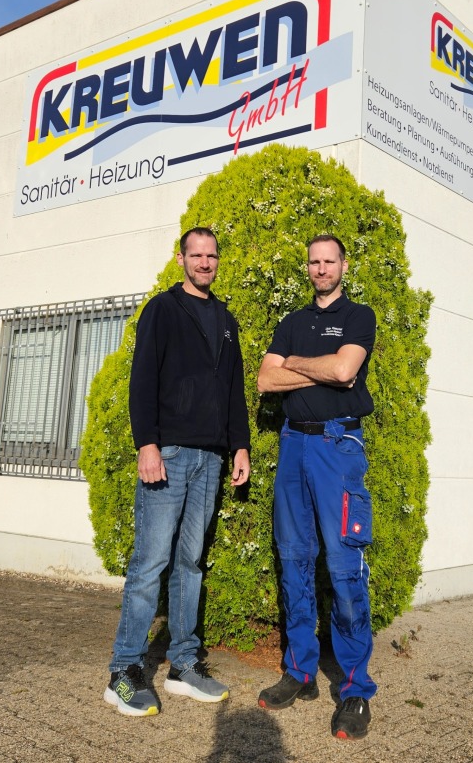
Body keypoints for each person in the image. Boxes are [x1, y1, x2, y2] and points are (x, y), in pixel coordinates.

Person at [104, 227, 250, 716]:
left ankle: (183, 666)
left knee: (190, 563)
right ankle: (124, 671)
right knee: (150, 563)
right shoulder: (163, 310)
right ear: (181, 258)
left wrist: (240, 446)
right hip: (167, 454)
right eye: (196, 255)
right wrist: (147, 444)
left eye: (212, 256)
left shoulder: (226, 320)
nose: (205, 262)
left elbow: (233, 389)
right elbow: (142, 379)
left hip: (210, 459)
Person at [257, 234, 377, 741]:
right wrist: (318, 370)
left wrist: (294, 365)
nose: (321, 269)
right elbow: (265, 380)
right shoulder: (292, 322)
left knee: (345, 567)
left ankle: (354, 688)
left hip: (337, 447)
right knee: (294, 560)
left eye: (330, 261)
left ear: (343, 265)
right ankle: (301, 671)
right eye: (314, 262)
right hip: (294, 446)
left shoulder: (358, 316)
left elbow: (345, 371)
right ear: (307, 267)